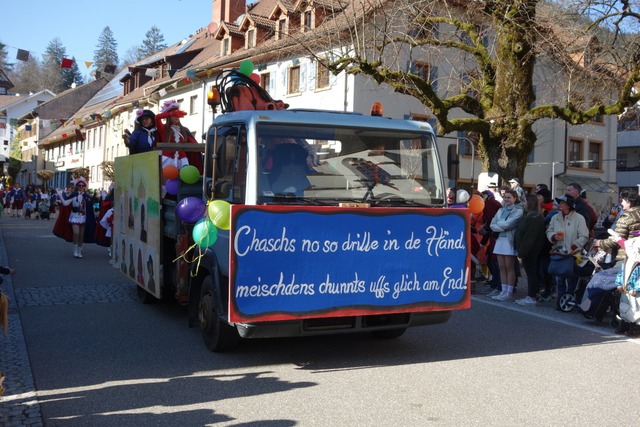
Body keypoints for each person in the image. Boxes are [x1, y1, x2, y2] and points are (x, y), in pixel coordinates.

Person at [546, 195, 589, 308]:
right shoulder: (555, 217)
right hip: (560, 252)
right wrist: (553, 236)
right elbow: (549, 230)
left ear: (569, 205)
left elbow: (584, 235)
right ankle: (561, 299)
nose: (560, 205)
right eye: (560, 203)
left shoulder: (579, 218)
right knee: (560, 276)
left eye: (562, 203)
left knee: (572, 276)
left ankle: (570, 298)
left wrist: (574, 247)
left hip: (575, 253)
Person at [490, 189, 524, 301]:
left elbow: (510, 224)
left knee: (509, 267)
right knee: (501, 267)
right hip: (500, 240)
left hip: (509, 241)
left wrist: (500, 225)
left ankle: (509, 291)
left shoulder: (518, 210)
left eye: (509, 197)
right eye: (505, 197)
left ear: (515, 198)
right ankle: (503, 290)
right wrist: (502, 225)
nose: (506, 199)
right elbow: (492, 224)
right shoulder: (500, 210)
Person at [155, 100, 203, 173]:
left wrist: (202, 149)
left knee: (184, 179)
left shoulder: (184, 130)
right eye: (175, 115)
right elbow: (157, 118)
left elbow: (193, 142)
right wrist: (171, 113)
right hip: (168, 159)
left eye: (177, 114)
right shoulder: (163, 128)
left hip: (182, 159)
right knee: (166, 180)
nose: (176, 116)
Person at [514, 194, 546, 306]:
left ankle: (532, 296)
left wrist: (522, 252)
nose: (523, 203)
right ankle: (532, 295)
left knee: (532, 273)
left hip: (531, 250)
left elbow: (530, 237)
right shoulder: (528, 215)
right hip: (528, 250)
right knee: (531, 273)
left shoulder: (535, 217)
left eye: (524, 201)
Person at [55, 177, 97, 258]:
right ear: (77, 186)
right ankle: (74, 250)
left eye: (82, 185)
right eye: (79, 185)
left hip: (83, 217)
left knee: (81, 235)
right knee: (76, 233)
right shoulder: (73, 195)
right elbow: (65, 203)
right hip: (74, 216)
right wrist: (60, 196)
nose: (81, 187)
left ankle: (79, 250)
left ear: (85, 186)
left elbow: (90, 208)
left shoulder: (87, 196)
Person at [593, 191, 640, 263]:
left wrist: (600, 243)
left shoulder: (626, 217)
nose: (621, 203)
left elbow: (618, 239)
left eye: (623, 201)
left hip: (628, 255)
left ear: (629, 201)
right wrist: (609, 219)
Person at [479, 190, 503, 295]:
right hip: (494, 234)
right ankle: (495, 284)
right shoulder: (492, 203)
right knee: (491, 259)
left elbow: (491, 221)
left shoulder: (490, 204)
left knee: (495, 261)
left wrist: (486, 227)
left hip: (496, 235)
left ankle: (498, 285)